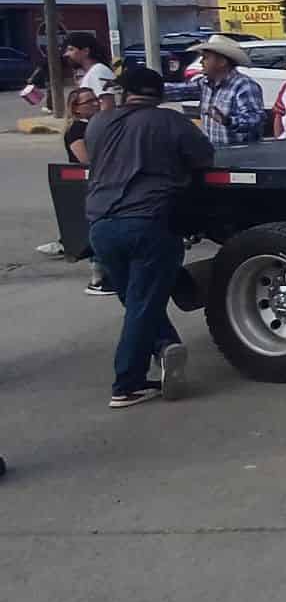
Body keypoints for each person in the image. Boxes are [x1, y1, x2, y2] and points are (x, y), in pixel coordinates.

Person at [85, 64, 213, 408]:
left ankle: (166, 346)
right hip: (148, 223)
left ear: (126, 93)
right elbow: (204, 158)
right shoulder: (171, 123)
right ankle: (126, 384)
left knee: (137, 300)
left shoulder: (98, 123)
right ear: (159, 95)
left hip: (100, 226)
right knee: (142, 305)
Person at [62, 87, 114, 296]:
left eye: (95, 100)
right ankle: (99, 277)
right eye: (88, 102)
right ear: (76, 109)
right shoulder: (76, 131)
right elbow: (86, 160)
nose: (95, 104)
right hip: (89, 185)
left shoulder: (98, 125)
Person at [195, 34, 265, 148]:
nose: (201, 62)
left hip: (241, 155)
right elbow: (177, 90)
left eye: (206, 57)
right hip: (216, 151)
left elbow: (255, 120)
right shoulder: (205, 83)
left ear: (222, 62)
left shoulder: (244, 86)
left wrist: (228, 121)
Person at [63, 31, 117, 112]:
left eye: (71, 49)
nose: (66, 54)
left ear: (86, 51)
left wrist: (97, 124)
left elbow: (108, 106)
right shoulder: (92, 72)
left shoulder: (99, 71)